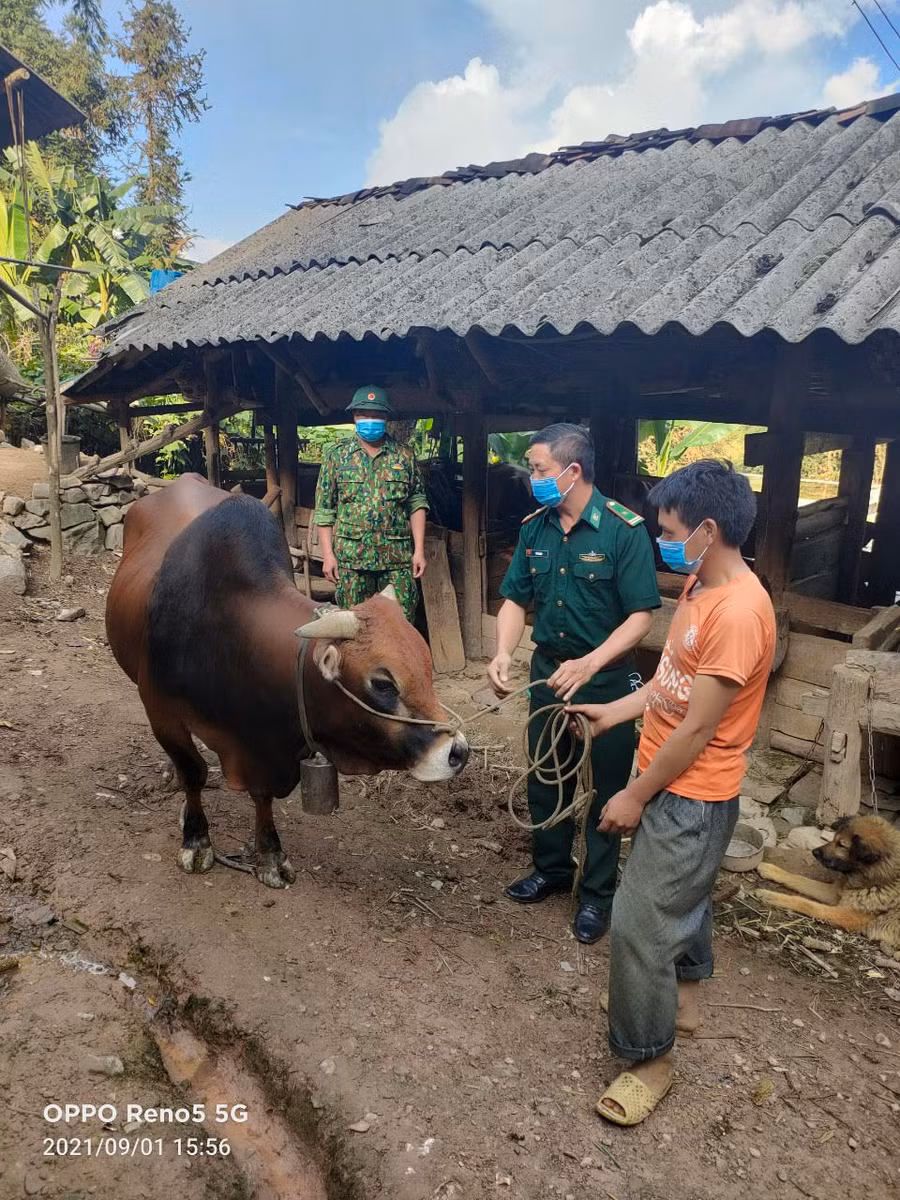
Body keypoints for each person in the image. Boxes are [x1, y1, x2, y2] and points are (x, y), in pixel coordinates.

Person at [566, 459, 775, 1126]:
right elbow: (670, 685)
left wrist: (633, 796)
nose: (662, 537)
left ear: (708, 530)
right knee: (683, 894)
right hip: (669, 777)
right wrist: (615, 713)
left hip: (693, 791)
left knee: (638, 922)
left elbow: (700, 727)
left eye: (669, 528)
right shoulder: (698, 586)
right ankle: (683, 1001)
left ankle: (649, 1060)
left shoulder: (740, 611)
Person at [487, 423, 661, 944]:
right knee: (547, 775)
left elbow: (641, 617)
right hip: (548, 673)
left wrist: (590, 663)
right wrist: (502, 651)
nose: (531, 478)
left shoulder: (622, 530)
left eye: (538, 469)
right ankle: (552, 870)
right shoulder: (534, 528)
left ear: (573, 471)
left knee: (607, 790)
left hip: (608, 681)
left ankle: (597, 896)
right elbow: (516, 599)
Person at [314, 386, 428, 622]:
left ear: (386, 417)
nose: (370, 420)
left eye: (376, 415)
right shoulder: (336, 456)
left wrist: (419, 551)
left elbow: (416, 504)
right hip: (352, 561)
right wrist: (328, 555)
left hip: (396, 560)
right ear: (354, 416)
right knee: (352, 625)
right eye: (364, 414)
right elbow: (325, 511)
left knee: (401, 623)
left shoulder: (404, 456)